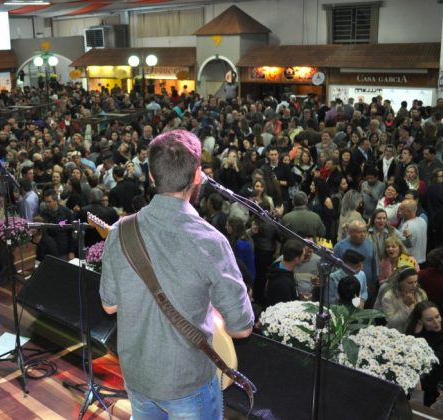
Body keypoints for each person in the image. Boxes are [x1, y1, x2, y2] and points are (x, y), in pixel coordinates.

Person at [99, 129, 254, 419]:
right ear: (197, 176)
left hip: (137, 374)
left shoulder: (121, 230)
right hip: (187, 381)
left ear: (151, 176)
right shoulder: (211, 242)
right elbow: (242, 327)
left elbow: (109, 305)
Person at [405, 301, 443, 406]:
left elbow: (433, 359)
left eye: (437, 316)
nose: (436, 322)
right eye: (430, 320)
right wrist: (415, 335)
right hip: (420, 377)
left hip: (438, 380)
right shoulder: (416, 330)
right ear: (420, 321)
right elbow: (407, 352)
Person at [381, 267, 427, 333]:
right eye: (410, 283)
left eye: (416, 282)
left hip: (418, 331)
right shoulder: (389, 297)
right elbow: (392, 322)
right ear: (400, 282)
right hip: (397, 332)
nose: (414, 286)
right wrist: (406, 306)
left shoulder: (420, 293)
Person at [265, 240, 305, 306]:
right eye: (303, 255)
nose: (304, 258)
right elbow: (286, 307)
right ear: (296, 259)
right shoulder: (283, 284)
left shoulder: (278, 266)